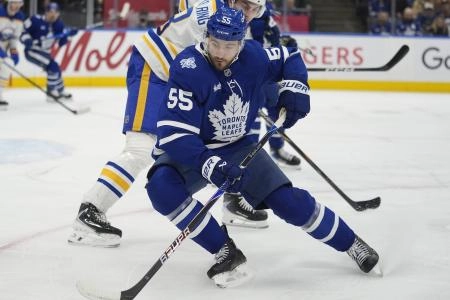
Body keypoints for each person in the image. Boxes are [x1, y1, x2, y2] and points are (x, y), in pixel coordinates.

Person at [145, 6, 380, 287]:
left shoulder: (254, 56)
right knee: (161, 188)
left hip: (239, 146)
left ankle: (351, 243)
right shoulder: (189, 67)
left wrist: (296, 87)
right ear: (205, 36)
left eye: (229, 46)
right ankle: (224, 250)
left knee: (289, 203)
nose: (220, 52)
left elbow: (290, 55)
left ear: (241, 43)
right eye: (215, 43)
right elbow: (174, 133)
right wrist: (209, 164)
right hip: (194, 150)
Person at [67, 0, 268, 247]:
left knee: (228, 137)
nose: (248, 13)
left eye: (254, 9)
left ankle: (233, 201)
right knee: (141, 148)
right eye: (244, 5)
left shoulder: (236, 16)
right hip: (155, 71)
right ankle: (90, 211)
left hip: (180, 78)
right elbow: (215, 61)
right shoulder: (212, 15)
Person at [19, 2, 78, 102]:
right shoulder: (35, 20)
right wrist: (26, 39)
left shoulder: (59, 25)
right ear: (46, 12)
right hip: (32, 51)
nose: (53, 14)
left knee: (56, 68)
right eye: (51, 12)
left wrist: (68, 35)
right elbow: (22, 31)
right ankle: (51, 93)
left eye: (56, 12)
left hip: (45, 53)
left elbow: (61, 43)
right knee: (53, 66)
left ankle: (60, 91)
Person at [0, 0, 25, 110]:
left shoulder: (20, 17)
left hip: (2, 47)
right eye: (13, 3)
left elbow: (13, 39)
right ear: (8, 3)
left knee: (6, 66)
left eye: (18, 4)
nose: (15, 6)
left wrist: (14, 53)